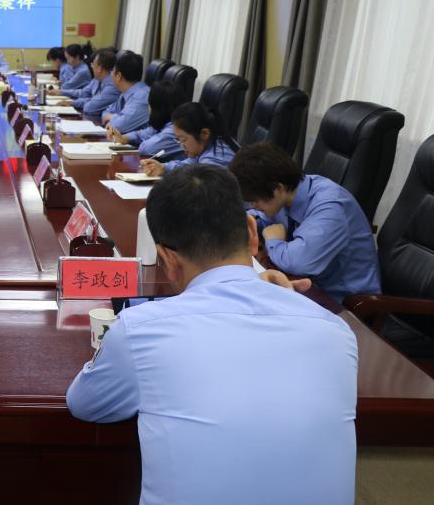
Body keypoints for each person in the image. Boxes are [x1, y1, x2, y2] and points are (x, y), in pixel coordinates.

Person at [66, 164, 357, 505]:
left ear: (167, 258)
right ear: (252, 231)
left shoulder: (140, 330)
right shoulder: (336, 331)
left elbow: (85, 404)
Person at [229, 142, 381, 302]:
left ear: (277, 188)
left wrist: (274, 241)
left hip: (345, 302)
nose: (252, 206)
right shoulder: (285, 195)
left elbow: (297, 263)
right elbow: (261, 219)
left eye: (254, 201)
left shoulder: (331, 207)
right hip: (307, 287)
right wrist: (243, 223)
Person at [140, 102, 236, 175]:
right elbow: (188, 165)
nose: (182, 146)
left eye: (183, 140)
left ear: (204, 134)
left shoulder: (215, 159)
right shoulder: (207, 147)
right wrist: (163, 167)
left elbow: (200, 188)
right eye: (178, 140)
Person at [107, 79, 185, 160]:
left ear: (157, 108)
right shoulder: (164, 122)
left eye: (150, 104)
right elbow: (142, 134)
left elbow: (146, 149)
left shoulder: (175, 129)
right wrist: (123, 138)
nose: (148, 108)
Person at [101, 51, 149, 132]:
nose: (111, 74)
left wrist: (112, 118)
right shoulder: (125, 92)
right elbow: (106, 112)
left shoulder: (142, 96)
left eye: (112, 71)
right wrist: (115, 119)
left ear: (119, 76)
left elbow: (119, 126)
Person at [68, 47, 121, 120]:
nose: (91, 67)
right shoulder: (97, 79)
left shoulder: (112, 86)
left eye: (93, 64)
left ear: (99, 68)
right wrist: (73, 102)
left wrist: (91, 100)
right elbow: (84, 93)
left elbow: (90, 108)